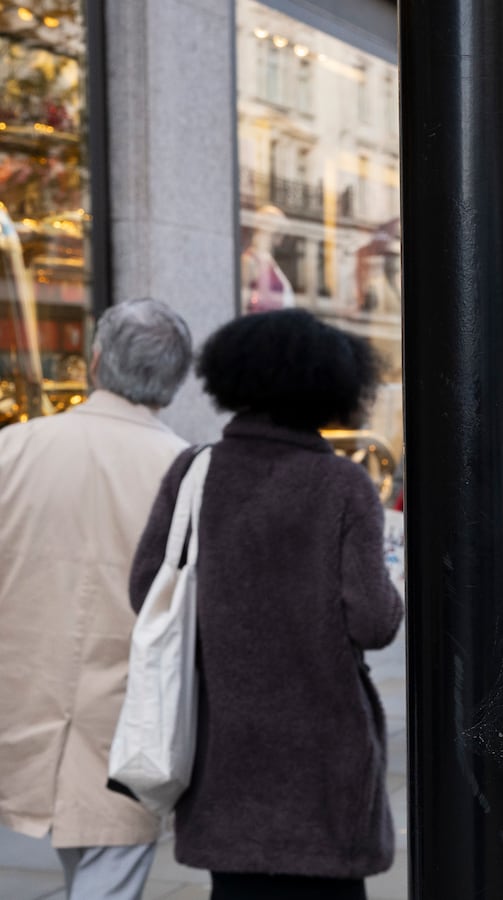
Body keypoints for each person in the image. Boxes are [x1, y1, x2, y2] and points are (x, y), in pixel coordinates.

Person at [131, 309, 402, 900]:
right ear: (330, 388)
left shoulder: (195, 472)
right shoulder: (342, 486)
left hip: (223, 748)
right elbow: (374, 622)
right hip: (322, 754)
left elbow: (146, 592)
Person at [0, 299, 193, 900]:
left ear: (96, 360)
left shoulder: (15, 448)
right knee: (109, 877)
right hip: (131, 718)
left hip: (20, 698)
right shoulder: (184, 469)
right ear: (175, 380)